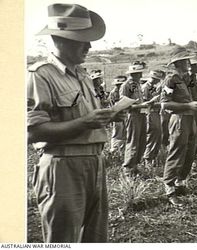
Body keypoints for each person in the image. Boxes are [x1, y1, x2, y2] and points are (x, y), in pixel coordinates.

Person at [27, 3, 121, 242]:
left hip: (95, 162)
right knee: (63, 239)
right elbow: (32, 132)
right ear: (61, 39)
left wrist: (108, 116)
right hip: (63, 166)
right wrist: (84, 123)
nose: (89, 46)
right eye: (82, 39)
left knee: (95, 237)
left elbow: (87, 117)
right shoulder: (41, 75)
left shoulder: (82, 75)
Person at [160, 46, 197, 206]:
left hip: (190, 119)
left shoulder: (188, 79)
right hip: (179, 119)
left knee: (190, 152)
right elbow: (165, 104)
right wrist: (188, 106)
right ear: (178, 63)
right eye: (186, 60)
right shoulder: (171, 80)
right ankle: (169, 187)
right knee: (177, 152)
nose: (189, 63)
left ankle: (180, 183)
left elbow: (196, 96)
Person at [120, 61, 147, 177]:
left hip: (141, 114)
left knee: (142, 141)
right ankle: (128, 169)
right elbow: (124, 104)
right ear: (132, 74)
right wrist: (140, 106)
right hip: (133, 115)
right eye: (138, 73)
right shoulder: (126, 86)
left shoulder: (137, 85)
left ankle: (135, 166)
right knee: (133, 141)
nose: (140, 75)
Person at [141, 70, 163, 170]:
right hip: (149, 113)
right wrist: (154, 100)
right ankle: (147, 159)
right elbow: (144, 102)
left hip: (156, 113)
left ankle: (152, 157)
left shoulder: (153, 87)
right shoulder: (145, 87)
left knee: (157, 135)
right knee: (152, 135)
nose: (156, 81)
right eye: (155, 79)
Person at [109, 76, 127, 154]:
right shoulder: (114, 93)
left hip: (125, 114)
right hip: (117, 115)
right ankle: (114, 150)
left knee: (124, 134)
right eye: (117, 84)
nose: (119, 86)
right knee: (117, 134)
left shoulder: (123, 91)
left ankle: (122, 151)